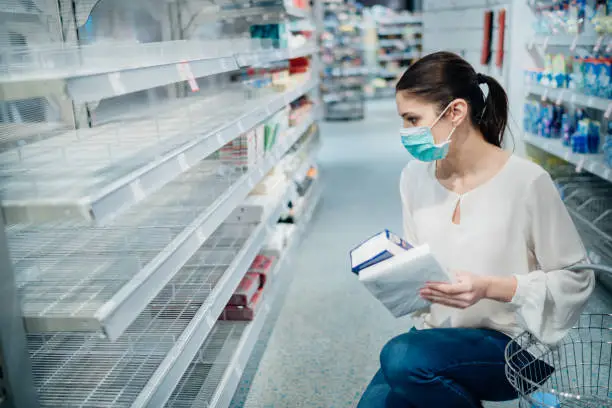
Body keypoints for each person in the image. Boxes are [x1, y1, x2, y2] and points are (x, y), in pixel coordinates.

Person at [357, 51, 596, 408]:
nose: (405, 133)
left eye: (412, 119)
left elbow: (576, 279)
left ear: (455, 112)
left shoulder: (527, 182)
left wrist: (491, 288)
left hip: (516, 345)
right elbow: (422, 265)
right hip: (437, 337)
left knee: (401, 360)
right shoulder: (414, 178)